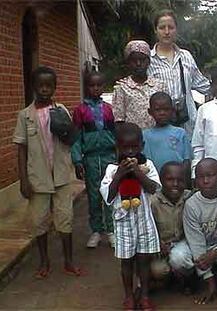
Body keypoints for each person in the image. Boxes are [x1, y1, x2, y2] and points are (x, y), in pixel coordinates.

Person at [13, 66, 83, 279]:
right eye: (40, 85)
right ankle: (44, 261)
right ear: (33, 87)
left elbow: (72, 139)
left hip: (61, 176)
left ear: (54, 87)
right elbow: (21, 148)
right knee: (39, 221)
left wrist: (66, 128)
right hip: (38, 178)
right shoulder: (25, 116)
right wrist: (24, 180)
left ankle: (68, 261)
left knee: (65, 218)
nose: (45, 89)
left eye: (49, 85)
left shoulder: (61, 110)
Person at [100, 123, 160, 310]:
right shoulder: (111, 169)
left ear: (142, 145)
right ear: (118, 147)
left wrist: (137, 172)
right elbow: (108, 196)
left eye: (135, 147)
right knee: (126, 262)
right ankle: (128, 296)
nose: (130, 152)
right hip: (123, 223)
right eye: (125, 148)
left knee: (144, 260)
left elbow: (153, 188)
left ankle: (144, 295)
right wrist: (119, 175)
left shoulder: (147, 165)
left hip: (144, 221)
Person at [181, 158, 217, 304]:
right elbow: (196, 244)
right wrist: (209, 282)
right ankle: (193, 278)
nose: (206, 181)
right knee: (179, 258)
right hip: (201, 247)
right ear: (195, 181)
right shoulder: (191, 205)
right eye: (201, 177)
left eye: (211, 175)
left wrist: (215, 254)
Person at [71, 71, 117, 248]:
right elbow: (76, 138)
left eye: (99, 85)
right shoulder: (80, 110)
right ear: (86, 87)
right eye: (92, 85)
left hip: (109, 157)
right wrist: (77, 161)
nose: (95, 88)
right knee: (93, 195)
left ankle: (111, 231)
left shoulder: (108, 109)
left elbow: (115, 133)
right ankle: (96, 231)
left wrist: (117, 156)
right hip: (90, 158)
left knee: (110, 193)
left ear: (103, 87)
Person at [148, 9, 210, 136]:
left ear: (176, 29)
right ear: (155, 30)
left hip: (186, 123)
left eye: (170, 27)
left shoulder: (185, 56)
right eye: (162, 27)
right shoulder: (148, 59)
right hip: (158, 124)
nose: (166, 32)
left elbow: (202, 84)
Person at [150, 162, 193, 288]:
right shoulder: (152, 202)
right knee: (158, 270)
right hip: (161, 246)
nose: (175, 184)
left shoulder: (190, 197)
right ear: (161, 180)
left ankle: (189, 277)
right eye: (170, 180)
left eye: (180, 180)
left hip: (183, 243)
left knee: (179, 259)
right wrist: (158, 243)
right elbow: (147, 228)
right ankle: (171, 278)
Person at [112, 40, 166, 129]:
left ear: (148, 62)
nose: (138, 64)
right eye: (134, 60)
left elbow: (166, 115)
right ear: (128, 63)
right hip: (133, 140)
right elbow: (119, 121)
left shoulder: (159, 86)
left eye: (142, 60)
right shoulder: (121, 88)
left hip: (158, 139)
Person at [143, 92, 191, 183]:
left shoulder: (180, 133)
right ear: (150, 112)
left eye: (166, 109)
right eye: (157, 110)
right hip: (155, 181)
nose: (162, 113)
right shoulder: (145, 135)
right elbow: (145, 163)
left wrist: (184, 181)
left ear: (172, 110)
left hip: (177, 181)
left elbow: (186, 160)